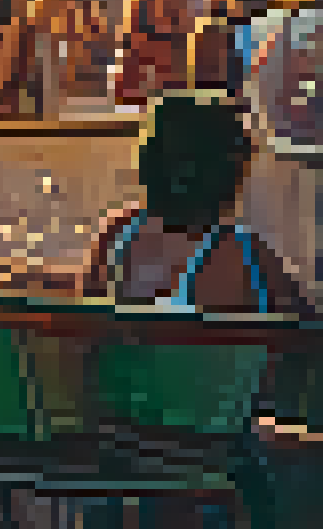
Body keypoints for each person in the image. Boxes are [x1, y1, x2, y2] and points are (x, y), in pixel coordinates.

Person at [74, 95, 311, 529]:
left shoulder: (116, 238)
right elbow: (303, 330)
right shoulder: (243, 254)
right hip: (206, 457)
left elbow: (86, 343)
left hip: (116, 452)